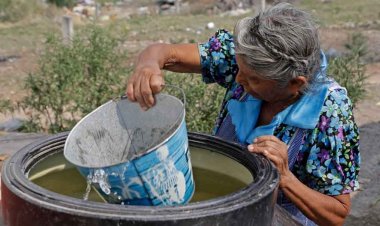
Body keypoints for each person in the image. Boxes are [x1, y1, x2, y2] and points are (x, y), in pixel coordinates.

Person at [126, 3, 360, 225]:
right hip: (222, 208)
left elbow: (336, 214)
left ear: (294, 84)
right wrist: (148, 65)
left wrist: (286, 178)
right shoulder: (245, 57)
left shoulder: (330, 113)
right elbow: (164, 53)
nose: (238, 80)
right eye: (240, 70)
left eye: (253, 79)